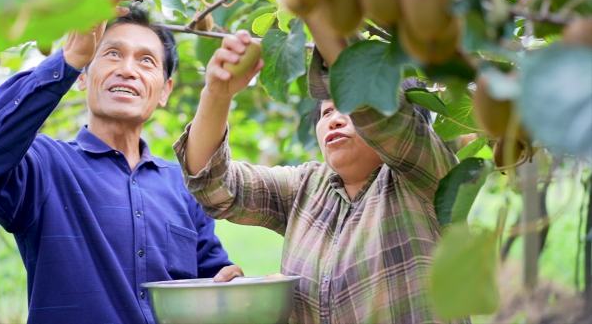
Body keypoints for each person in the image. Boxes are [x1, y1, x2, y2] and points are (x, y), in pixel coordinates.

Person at [0, 0, 241, 324]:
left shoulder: (183, 185)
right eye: (111, 54)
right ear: (83, 77)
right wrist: (69, 57)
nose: (127, 70)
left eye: (146, 61)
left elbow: (212, 281)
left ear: (165, 90)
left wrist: (231, 285)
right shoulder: (44, 166)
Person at [173, 27, 459, 323]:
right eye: (326, 113)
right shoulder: (305, 188)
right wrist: (217, 94)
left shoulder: (424, 176)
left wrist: (320, 7)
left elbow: (386, 122)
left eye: (348, 107)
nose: (334, 119)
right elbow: (214, 186)